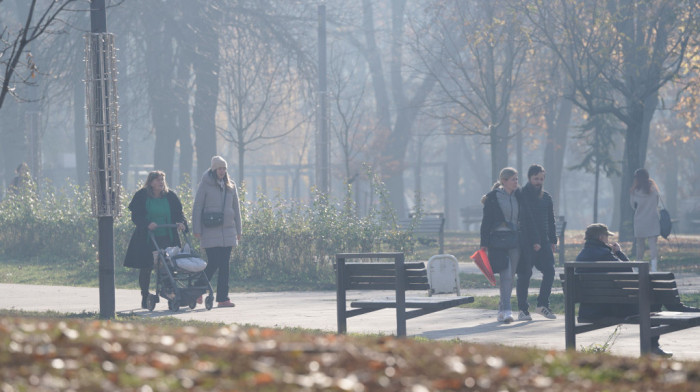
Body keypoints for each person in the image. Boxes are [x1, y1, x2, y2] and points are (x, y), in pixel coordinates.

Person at [575, 223, 700, 357]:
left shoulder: (581, 257)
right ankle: (653, 346)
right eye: (607, 237)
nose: (608, 240)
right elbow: (629, 271)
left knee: (653, 300)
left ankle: (675, 313)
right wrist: (619, 252)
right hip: (610, 308)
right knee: (653, 303)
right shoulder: (605, 254)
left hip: (590, 310)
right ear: (601, 237)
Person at [124, 171, 187, 309]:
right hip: (147, 238)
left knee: (168, 266)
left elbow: (179, 214)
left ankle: (170, 292)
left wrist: (181, 223)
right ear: (151, 182)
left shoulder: (170, 196)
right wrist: (147, 223)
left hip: (167, 236)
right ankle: (145, 295)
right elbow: (136, 216)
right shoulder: (141, 196)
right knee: (146, 267)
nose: (161, 182)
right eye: (158, 180)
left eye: (162, 179)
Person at [480, 167, 535, 323]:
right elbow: (486, 222)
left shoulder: (520, 196)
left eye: (517, 179)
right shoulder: (493, 197)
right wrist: (483, 244)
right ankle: (506, 310)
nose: (516, 182)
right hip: (498, 241)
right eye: (513, 179)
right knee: (506, 275)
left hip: (516, 241)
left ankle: (501, 309)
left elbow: (527, 218)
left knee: (510, 276)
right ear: (504, 181)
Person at [192, 156, 242, 308]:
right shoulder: (205, 185)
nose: (222, 171)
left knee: (225, 265)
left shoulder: (231, 186)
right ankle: (198, 289)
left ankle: (223, 298)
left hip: (228, 231)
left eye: (224, 168)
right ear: (214, 170)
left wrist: (239, 230)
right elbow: (198, 207)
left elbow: (236, 209)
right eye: (219, 168)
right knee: (213, 262)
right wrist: (197, 229)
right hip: (209, 230)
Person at [516, 164, 557, 321]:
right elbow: (524, 219)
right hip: (526, 241)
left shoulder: (546, 197)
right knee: (525, 274)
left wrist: (553, 239)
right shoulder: (521, 195)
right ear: (529, 178)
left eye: (541, 179)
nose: (538, 182)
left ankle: (542, 305)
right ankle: (523, 309)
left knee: (550, 271)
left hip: (544, 241)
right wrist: (533, 241)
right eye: (535, 178)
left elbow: (550, 220)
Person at [630, 168, 661, 271]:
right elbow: (657, 203)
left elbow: (633, 206)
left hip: (640, 221)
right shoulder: (654, 189)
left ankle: (639, 267)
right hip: (652, 220)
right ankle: (654, 267)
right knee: (653, 245)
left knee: (640, 246)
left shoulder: (635, 192)